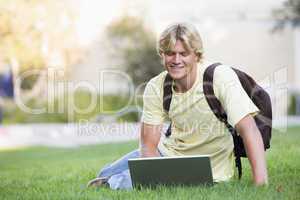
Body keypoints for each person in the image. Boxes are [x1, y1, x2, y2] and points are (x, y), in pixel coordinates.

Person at [87, 22, 268, 190]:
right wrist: (157, 174)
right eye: (170, 53)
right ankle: (111, 180)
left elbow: (249, 130)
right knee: (106, 174)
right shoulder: (156, 86)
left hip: (210, 167)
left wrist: (261, 184)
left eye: (183, 53)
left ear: (196, 55)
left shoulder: (219, 77)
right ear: (162, 54)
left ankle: (114, 183)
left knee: (123, 181)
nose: (176, 60)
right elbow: (148, 145)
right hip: (167, 154)